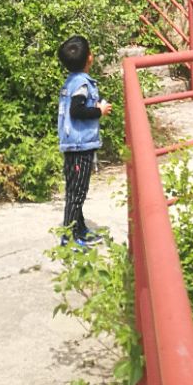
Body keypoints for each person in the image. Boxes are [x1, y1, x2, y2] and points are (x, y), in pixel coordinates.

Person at [57, 34, 111, 246]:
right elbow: (77, 110)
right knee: (77, 193)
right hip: (80, 146)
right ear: (90, 57)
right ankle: (68, 238)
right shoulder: (82, 84)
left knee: (74, 189)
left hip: (73, 144)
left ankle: (79, 229)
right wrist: (99, 110)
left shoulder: (71, 81)